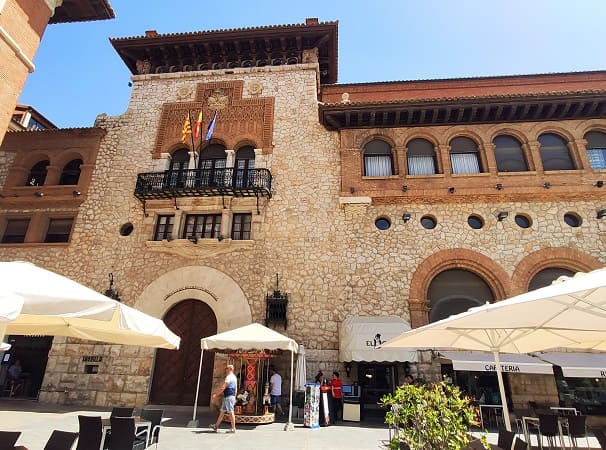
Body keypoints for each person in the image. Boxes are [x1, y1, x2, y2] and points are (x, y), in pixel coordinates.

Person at [210, 364, 238, 433]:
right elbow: (236, 388)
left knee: (231, 412)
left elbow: (223, 387)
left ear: (230, 369)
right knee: (222, 412)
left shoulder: (229, 377)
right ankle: (216, 426)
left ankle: (233, 428)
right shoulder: (234, 377)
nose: (225, 370)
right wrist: (234, 397)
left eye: (227, 368)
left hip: (228, 397)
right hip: (229, 397)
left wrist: (216, 394)